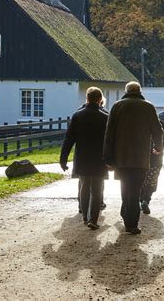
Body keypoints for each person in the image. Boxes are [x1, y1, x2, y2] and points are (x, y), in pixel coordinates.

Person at [103, 81, 163, 235]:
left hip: (121, 157)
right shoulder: (148, 106)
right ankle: (132, 224)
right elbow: (157, 130)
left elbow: (109, 133)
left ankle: (126, 214)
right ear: (139, 91)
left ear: (126, 91)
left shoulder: (117, 106)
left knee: (125, 187)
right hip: (141, 157)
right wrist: (158, 147)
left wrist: (108, 158)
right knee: (135, 191)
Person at [60, 87, 108, 230]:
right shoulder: (105, 117)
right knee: (97, 188)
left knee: (85, 185)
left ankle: (85, 217)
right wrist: (112, 159)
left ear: (87, 98)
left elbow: (69, 139)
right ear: (100, 100)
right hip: (99, 158)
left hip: (82, 157)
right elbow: (110, 140)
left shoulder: (77, 116)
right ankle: (93, 219)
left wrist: (63, 158)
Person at [140, 120, 164, 215]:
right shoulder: (161, 124)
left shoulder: (141, 123)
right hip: (155, 160)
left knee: (141, 181)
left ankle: (140, 200)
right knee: (151, 182)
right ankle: (146, 200)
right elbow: (163, 141)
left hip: (142, 159)